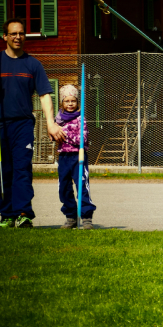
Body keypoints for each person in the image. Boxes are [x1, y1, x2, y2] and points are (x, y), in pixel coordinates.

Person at [0, 19, 65, 228]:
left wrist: (51, 123)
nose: (17, 37)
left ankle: (23, 214)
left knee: (22, 168)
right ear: (4, 37)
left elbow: (45, 95)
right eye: (13, 33)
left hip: (23, 124)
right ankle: (6, 215)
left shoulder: (33, 64)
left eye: (21, 33)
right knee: (3, 169)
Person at [55, 84, 96, 229]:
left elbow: (82, 139)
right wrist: (54, 133)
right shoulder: (58, 119)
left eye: (73, 101)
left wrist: (65, 134)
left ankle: (86, 217)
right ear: (62, 102)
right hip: (64, 157)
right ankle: (71, 216)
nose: (70, 104)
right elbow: (54, 136)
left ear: (77, 102)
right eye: (67, 101)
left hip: (78, 157)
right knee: (64, 187)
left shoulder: (80, 118)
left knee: (82, 186)